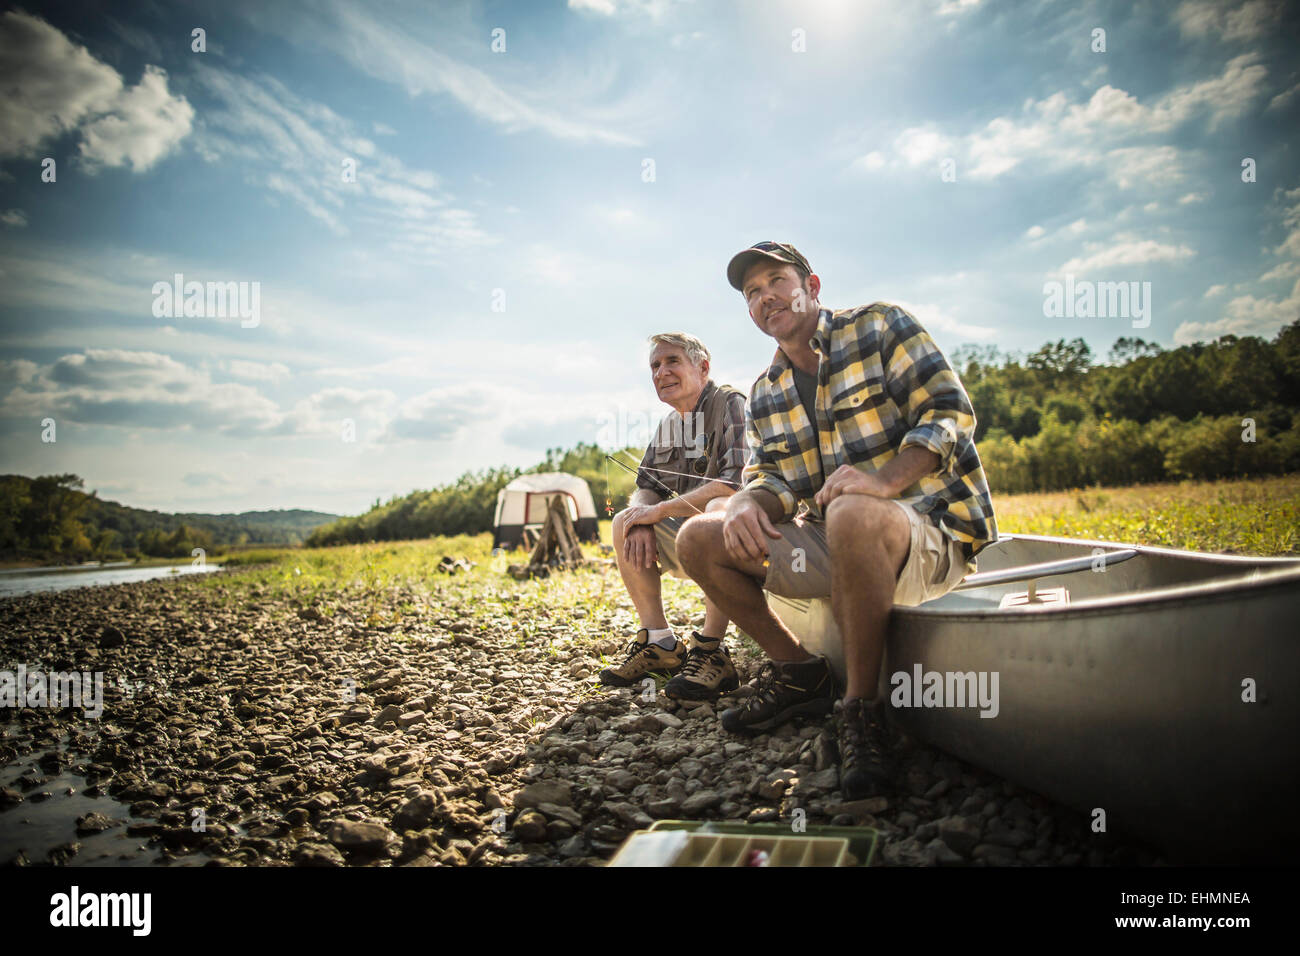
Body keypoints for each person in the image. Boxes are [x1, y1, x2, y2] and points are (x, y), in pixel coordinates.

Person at [675, 242, 998, 798]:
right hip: (841, 545)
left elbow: (949, 411)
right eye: (752, 292)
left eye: (776, 280)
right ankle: (801, 673)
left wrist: (885, 482)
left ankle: (862, 710)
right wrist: (750, 500)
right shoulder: (767, 391)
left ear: (813, 286)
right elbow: (774, 477)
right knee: (700, 535)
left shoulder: (879, 326)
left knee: (851, 507)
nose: (764, 296)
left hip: (930, 535)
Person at [601, 332, 750, 701]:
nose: (661, 372)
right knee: (624, 519)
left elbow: (733, 486)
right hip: (691, 536)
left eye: (672, 362)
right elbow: (645, 484)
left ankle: (711, 650)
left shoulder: (731, 403)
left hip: (748, 537)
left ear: (703, 367)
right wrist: (641, 516)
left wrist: (660, 511)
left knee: (716, 510)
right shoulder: (670, 423)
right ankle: (660, 642)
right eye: (655, 365)